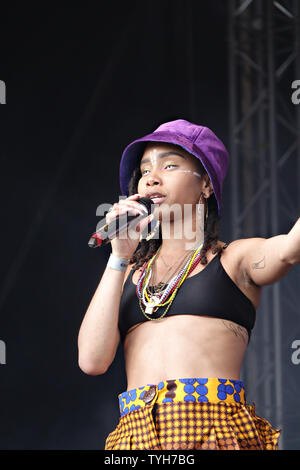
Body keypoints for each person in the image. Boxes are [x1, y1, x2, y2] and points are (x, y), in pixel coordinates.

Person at [78, 119, 298, 450]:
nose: (151, 176)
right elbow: (92, 361)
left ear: (206, 185)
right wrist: (119, 256)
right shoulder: (128, 272)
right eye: (145, 169)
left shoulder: (234, 259)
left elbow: (289, 249)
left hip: (213, 433)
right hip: (135, 438)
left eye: (169, 165)